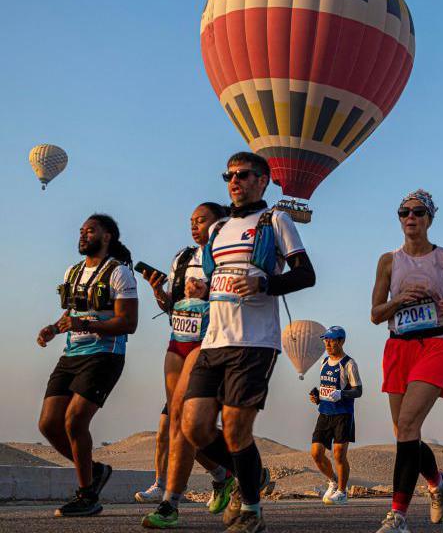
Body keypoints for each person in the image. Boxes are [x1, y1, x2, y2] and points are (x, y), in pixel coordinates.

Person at [182, 152, 316, 533]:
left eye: (243, 174)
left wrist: (264, 283)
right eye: (229, 175)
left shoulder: (277, 220)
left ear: (263, 180)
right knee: (194, 428)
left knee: (238, 429)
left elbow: (306, 275)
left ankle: (252, 510)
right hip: (212, 342)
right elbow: (217, 279)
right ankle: (245, 474)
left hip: (254, 342)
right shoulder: (217, 228)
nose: (234, 181)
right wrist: (201, 287)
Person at [370, 189, 443, 533]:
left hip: (435, 345)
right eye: (404, 212)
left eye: (417, 213)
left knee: (409, 426)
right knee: (404, 433)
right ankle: (438, 480)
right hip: (399, 347)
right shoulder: (388, 261)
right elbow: (374, 314)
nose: (410, 218)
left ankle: (397, 516)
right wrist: (399, 299)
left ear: (429, 219)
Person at [139, 203, 236, 529]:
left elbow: (238, 305)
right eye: (191, 221)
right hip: (177, 341)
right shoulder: (182, 258)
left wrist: (209, 291)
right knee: (174, 424)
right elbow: (173, 305)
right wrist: (159, 293)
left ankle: (171, 502)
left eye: (202, 220)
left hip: (208, 343)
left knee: (182, 419)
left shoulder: (227, 258)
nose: (195, 226)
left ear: (220, 223)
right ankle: (223, 475)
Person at [37, 214, 138, 517]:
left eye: (90, 230)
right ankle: (94, 471)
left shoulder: (119, 273)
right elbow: (72, 312)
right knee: (48, 424)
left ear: (107, 236)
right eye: (81, 230)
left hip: (104, 355)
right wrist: (54, 329)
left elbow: (129, 323)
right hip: (72, 355)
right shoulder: (74, 271)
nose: (82, 235)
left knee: (75, 421)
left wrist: (86, 323)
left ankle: (87, 495)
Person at [309, 326, 362, 506]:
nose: (327, 344)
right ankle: (332, 480)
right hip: (324, 414)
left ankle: (342, 491)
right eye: (326, 340)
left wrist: (342, 394)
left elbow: (358, 391)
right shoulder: (324, 362)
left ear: (341, 341)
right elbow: (325, 388)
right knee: (316, 453)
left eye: (331, 340)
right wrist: (317, 396)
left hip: (343, 415)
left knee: (339, 455)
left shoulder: (349, 363)